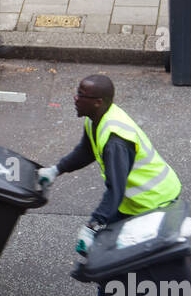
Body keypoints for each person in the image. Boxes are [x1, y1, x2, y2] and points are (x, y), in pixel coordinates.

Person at [36, 75, 181, 281]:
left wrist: (92, 226)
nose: (75, 98)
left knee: (118, 265)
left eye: (81, 95)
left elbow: (116, 189)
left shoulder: (115, 140)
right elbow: (86, 151)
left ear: (98, 102)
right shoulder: (96, 120)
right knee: (109, 262)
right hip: (134, 202)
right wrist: (55, 170)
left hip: (153, 204)